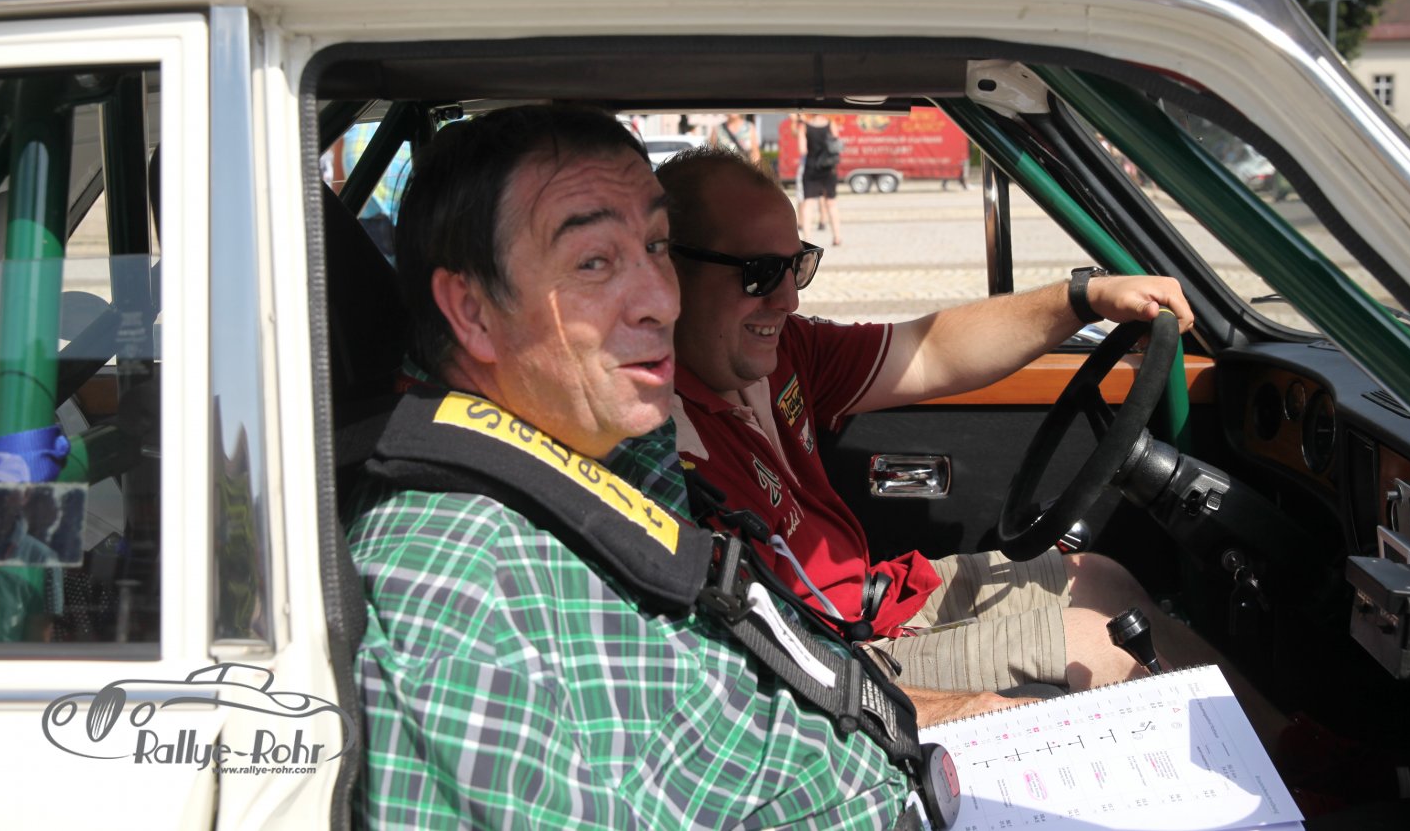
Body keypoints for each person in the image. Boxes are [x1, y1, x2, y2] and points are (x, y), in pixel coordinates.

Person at [345, 105, 969, 829]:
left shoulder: (613, 445)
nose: (664, 300)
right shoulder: (455, 601)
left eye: (657, 246)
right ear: (474, 311)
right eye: (594, 262)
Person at [656, 147, 1260, 704]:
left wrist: (1083, 298)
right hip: (836, 660)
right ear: (668, 270)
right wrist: (917, 714)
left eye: (797, 265)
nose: (788, 299)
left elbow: (933, 351)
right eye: (760, 272)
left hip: (872, 600)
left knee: (1096, 578)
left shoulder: (785, 351)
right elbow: (734, 666)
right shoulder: (660, 443)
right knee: (1099, 646)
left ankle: (1292, 760)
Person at [797, 113, 843, 246]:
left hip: (811, 167)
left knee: (808, 203)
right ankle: (837, 236)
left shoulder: (804, 127)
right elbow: (837, 145)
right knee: (831, 203)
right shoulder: (830, 124)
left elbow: (802, 150)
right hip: (828, 168)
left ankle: (807, 239)